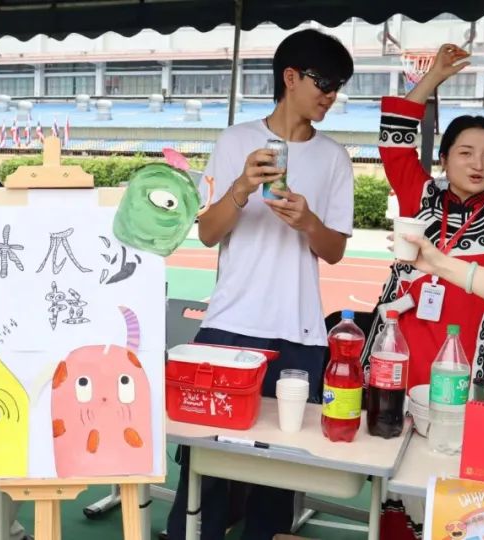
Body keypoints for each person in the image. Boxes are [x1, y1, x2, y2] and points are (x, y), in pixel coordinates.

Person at [166, 29, 356, 540]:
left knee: (279, 477)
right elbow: (207, 233)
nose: (331, 94)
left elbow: (334, 250)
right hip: (228, 328)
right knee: (205, 473)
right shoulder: (235, 141)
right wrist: (241, 187)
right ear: (290, 77)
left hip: (299, 335)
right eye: (326, 82)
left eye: (339, 86)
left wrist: (309, 222)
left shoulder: (334, 157)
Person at [370, 43, 484, 392]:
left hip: (460, 373)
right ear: (444, 158)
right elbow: (394, 143)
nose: (478, 164)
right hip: (393, 358)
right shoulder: (420, 198)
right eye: (466, 153)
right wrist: (435, 77)